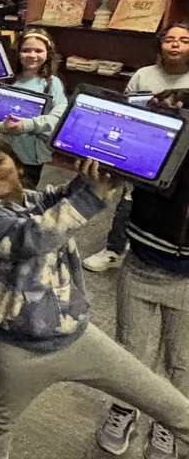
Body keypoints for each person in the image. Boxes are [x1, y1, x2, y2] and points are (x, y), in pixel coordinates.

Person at [0, 136, 189, 459]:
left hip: (78, 339)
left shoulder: (37, 200)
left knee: (171, 405)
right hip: (15, 351)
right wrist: (91, 195)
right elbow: (32, 238)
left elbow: (68, 196)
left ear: (17, 164)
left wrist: (97, 176)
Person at [92, 90, 189, 459]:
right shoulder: (168, 110)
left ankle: (168, 421)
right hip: (144, 259)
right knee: (130, 353)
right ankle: (124, 408)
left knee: (181, 360)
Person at [83, 22, 189, 272]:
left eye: (184, 40)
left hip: (182, 158)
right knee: (129, 197)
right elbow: (126, 109)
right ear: (159, 45)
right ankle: (115, 249)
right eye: (169, 39)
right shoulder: (143, 74)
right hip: (142, 148)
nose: (176, 44)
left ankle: (162, 251)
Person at [0, 28, 67, 187]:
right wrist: (0, 127)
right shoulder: (6, 80)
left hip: (30, 158)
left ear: (48, 53)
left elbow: (59, 118)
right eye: (26, 50)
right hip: (1, 152)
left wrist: (26, 125)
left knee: (24, 193)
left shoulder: (52, 84)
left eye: (38, 50)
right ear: (18, 53)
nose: (32, 55)